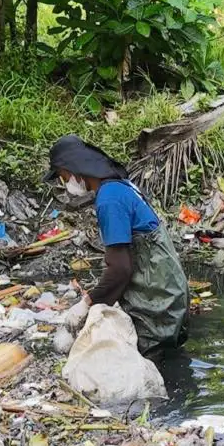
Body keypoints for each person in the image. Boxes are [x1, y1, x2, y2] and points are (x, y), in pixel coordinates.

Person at [50, 135, 188, 352]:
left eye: (63, 176)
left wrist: (87, 303)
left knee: (151, 363)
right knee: (172, 359)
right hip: (170, 294)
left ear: (73, 169)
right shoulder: (122, 186)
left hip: (155, 304)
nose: (65, 183)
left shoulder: (109, 199)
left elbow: (120, 269)